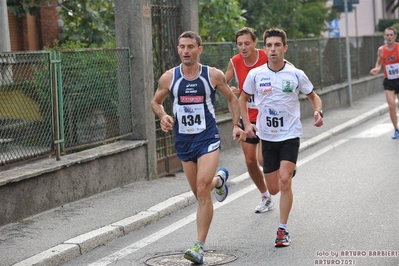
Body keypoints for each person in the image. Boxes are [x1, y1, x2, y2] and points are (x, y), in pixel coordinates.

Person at [151, 31, 245, 264]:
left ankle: (198, 247)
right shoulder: (169, 78)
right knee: (200, 192)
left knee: (202, 189)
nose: (185, 51)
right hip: (183, 141)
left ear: (199, 50)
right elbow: (155, 102)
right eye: (182, 46)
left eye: (190, 46)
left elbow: (232, 99)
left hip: (207, 138)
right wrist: (163, 116)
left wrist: (236, 124)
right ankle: (220, 180)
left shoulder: (212, 75)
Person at [239, 28, 323, 247]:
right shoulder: (256, 74)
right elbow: (242, 98)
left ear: (285, 47)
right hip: (267, 136)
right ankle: (286, 171)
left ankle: (282, 230)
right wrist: (247, 124)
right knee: (274, 188)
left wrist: (318, 111)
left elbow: (314, 96)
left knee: (285, 182)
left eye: (277, 45)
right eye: (269, 45)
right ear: (264, 48)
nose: (273, 49)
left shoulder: (296, 74)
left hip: (290, 134)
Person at [225, 27, 274, 213]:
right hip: (246, 118)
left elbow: (287, 70)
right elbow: (222, 84)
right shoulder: (235, 62)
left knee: (263, 160)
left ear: (254, 42)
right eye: (239, 44)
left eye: (247, 43)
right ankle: (265, 196)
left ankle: (278, 174)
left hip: (268, 117)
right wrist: (230, 91)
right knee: (251, 160)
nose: (243, 47)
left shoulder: (266, 56)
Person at [370, 26, 399, 139]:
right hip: (389, 80)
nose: (389, 37)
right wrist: (376, 69)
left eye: (391, 35)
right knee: (391, 105)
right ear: (384, 37)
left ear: (395, 36)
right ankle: (396, 129)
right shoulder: (381, 49)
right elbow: (379, 63)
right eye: (387, 35)